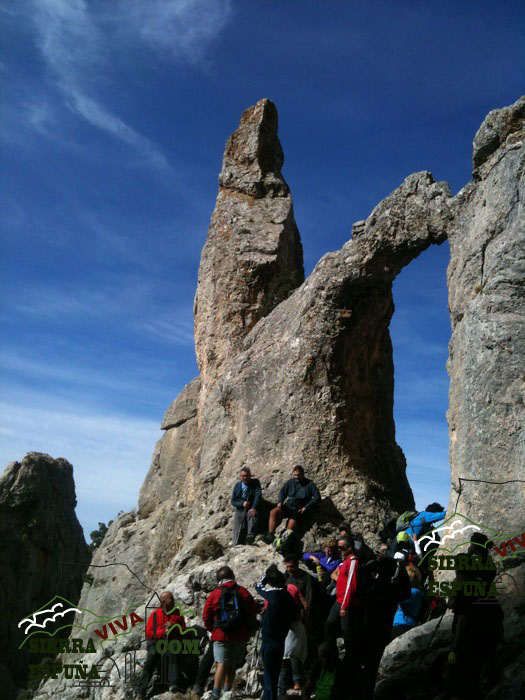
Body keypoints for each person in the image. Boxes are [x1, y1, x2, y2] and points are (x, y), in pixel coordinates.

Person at [444, 533, 503, 700]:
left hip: (466, 642)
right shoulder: (486, 576)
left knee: (457, 682)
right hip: (487, 636)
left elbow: (463, 616)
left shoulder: (466, 590)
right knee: (474, 681)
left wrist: (455, 649)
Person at [202, 566, 257, 699]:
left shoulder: (215, 593)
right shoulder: (243, 591)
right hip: (239, 634)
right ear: (232, 576)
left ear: (219, 579)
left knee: (221, 663)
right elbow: (252, 611)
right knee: (232, 664)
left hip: (220, 634)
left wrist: (213, 629)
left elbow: (206, 615)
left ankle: (215, 693)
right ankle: (227, 691)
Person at [361, 557, 410, 700]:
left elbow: (362, 579)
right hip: (385, 632)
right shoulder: (392, 589)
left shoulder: (372, 586)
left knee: (368, 669)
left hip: (368, 630)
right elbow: (406, 592)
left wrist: (370, 566)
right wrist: (402, 570)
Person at [255, 565, 298, 700]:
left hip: (269, 642)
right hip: (281, 641)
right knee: (274, 674)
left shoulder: (272, 595)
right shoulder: (287, 597)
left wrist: (266, 575)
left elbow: (257, 586)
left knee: (269, 676)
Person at [137, 591, 188, 698]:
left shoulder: (177, 613)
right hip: (156, 642)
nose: (173, 600)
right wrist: (163, 631)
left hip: (172, 641)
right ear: (164, 602)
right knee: (151, 659)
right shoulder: (156, 614)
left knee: (174, 652)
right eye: (171, 598)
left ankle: (174, 684)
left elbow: (183, 629)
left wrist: (174, 625)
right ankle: (141, 691)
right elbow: (149, 633)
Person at [324, 536, 362, 661]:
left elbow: (351, 584)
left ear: (349, 548)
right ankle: (332, 653)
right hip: (339, 599)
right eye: (338, 548)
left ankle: (350, 658)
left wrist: (344, 606)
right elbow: (335, 574)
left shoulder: (353, 561)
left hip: (345, 601)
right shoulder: (345, 560)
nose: (340, 551)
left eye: (342, 548)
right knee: (329, 625)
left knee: (347, 632)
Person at [265, 465, 320, 542]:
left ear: (303, 474)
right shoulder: (290, 482)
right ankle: (270, 534)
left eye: (299, 475)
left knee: (291, 523)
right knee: (274, 512)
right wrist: (280, 501)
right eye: (295, 475)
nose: (296, 477)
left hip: (299, 509)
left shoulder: (309, 484)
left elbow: (317, 497)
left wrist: (306, 507)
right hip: (289, 506)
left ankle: (283, 542)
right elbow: (282, 492)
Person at [391, 565, 424, 639]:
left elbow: (395, 597)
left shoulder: (414, 592)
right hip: (400, 624)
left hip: (404, 625)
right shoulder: (416, 592)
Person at [231, 467, 262, 545]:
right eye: (243, 476)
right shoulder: (237, 486)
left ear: (250, 475)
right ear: (240, 477)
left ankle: (250, 537)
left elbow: (258, 495)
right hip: (240, 509)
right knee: (238, 524)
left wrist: (254, 507)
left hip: (251, 507)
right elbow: (233, 501)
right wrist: (242, 503)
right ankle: (236, 543)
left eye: (247, 476)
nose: (245, 478)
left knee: (251, 515)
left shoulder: (255, 482)